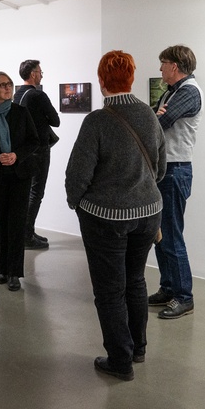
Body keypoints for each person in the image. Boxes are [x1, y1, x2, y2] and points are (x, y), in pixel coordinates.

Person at [66, 50, 165, 382]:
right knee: (135, 280)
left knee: (109, 289)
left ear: (101, 80)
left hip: (106, 217)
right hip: (149, 211)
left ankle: (119, 360)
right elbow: (161, 168)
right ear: (132, 77)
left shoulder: (97, 120)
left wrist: (75, 202)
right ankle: (138, 348)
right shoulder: (150, 116)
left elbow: (78, 173)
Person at [148, 45, 204, 320]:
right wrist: (153, 116)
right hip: (165, 169)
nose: (160, 69)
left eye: (163, 63)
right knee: (160, 234)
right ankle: (168, 287)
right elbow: (152, 116)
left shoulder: (189, 91)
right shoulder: (173, 91)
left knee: (171, 235)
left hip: (175, 169)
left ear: (175, 65)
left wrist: (155, 117)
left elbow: (162, 121)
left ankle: (184, 296)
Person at [0, 71, 40, 291]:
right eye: (2, 85)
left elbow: (34, 141)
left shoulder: (21, 113)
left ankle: (15, 273)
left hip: (20, 174)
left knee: (17, 223)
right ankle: (2, 270)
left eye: (10, 84)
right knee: (0, 222)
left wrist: (16, 155)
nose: (7, 88)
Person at [13, 59, 60, 250]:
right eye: (40, 72)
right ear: (33, 74)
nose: (41, 75)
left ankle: (27, 231)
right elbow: (55, 121)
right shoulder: (38, 96)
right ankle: (26, 236)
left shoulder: (17, 95)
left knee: (26, 192)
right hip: (39, 149)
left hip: (23, 151)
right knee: (36, 192)